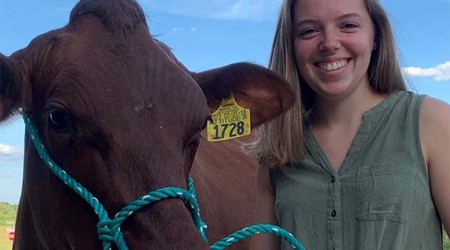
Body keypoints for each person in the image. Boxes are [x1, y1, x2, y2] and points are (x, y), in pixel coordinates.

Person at [249, 0, 450, 249]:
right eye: (309, 31)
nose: (330, 43)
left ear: (375, 36)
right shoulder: (277, 147)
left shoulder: (432, 121)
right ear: (291, 46)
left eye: (348, 25)